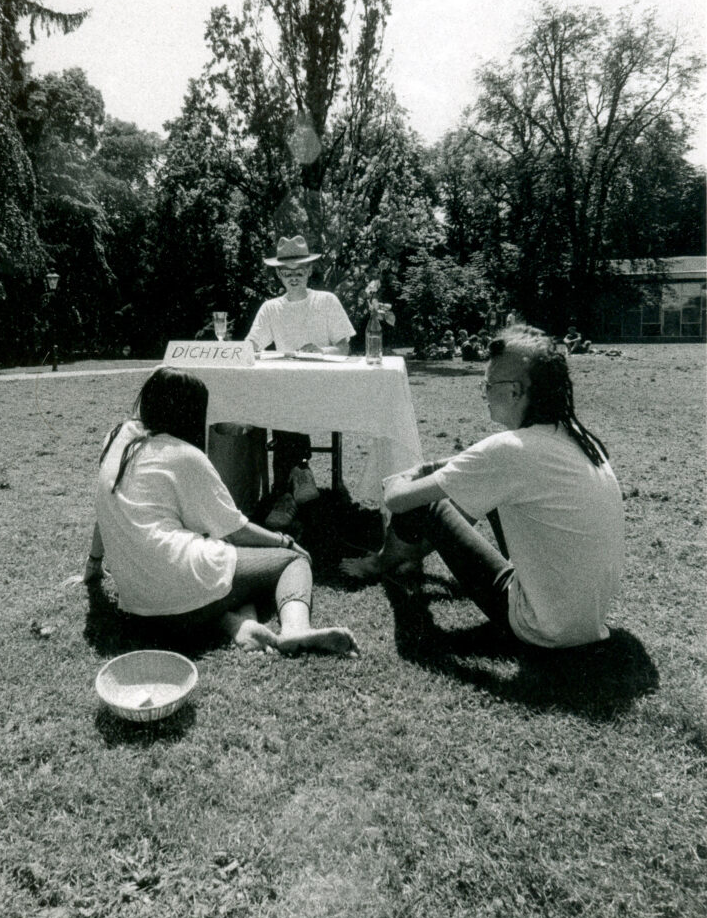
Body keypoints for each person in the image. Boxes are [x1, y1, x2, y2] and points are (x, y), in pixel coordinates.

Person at [343, 325, 624, 650]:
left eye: (488, 384)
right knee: (471, 487)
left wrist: (398, 479)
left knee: (429, 502)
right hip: (588, 621)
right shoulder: (576, 436)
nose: (482, 392)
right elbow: (483, 467)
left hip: (538, 628)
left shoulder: (510, 450)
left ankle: (382, 563)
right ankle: (400, 560)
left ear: (515, 391)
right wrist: (434, 470)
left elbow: (398, 501)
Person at [84, 367, 359, 657]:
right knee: (291, 562)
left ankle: (237, 624)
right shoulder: (184, 455)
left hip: (142, 608)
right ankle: (295, 629)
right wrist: (286, 542)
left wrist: (93, 564)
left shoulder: (116, 438)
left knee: (225, 570)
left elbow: (104, 506)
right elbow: (236, 530)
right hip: (183, 584)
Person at [247, 235, 355, 526]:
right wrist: (256, 348)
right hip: (286, 392)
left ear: (309, 271)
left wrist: (320, 351)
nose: (293, 277)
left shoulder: (326, 301)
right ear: (279, 274)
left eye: (299, 272)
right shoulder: (271, 308)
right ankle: (299, 473)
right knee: (282, 396)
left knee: (285, 402)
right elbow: (251, 345)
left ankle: (286, 489)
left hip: (324, 390)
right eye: (287, 273)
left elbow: (344, 347)